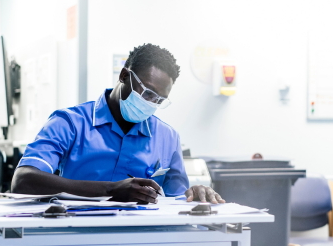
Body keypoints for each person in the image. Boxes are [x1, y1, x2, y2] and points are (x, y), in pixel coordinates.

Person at [11, 43, 225, 204]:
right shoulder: (70, 123)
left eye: (159, 100)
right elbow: (23, 181)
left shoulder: (167, 137)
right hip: (75, 241)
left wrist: (194, 196)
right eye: (148, 93)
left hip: (142, 245)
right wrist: (110, 190)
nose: (150, 103)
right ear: (124, 75)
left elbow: (175, 202)